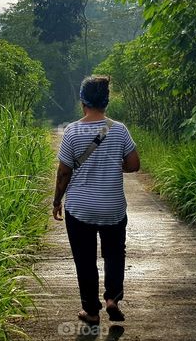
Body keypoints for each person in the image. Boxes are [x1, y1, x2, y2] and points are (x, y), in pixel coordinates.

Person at [53, 75, 140, 326]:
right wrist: (113, 164)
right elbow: (134, 164)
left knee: (85, 258)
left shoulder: (72, 131)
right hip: (113, 207)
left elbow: (64, 172)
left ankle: (91, 311)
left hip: (80, 209)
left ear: (82, 101)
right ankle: (113, 298)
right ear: (106, 102)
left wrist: (56, 200)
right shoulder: (119, 129)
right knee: (114, 253)